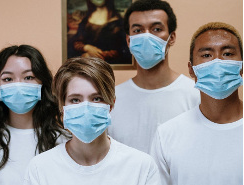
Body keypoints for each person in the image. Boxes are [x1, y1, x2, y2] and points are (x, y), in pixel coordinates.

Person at [23, 57, 161, 185]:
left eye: (96, 99)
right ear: (62, 107)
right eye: (75, 100)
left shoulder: (141, 167)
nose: (86, 108)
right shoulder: (40, 169)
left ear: (111, 104)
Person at [150, 22, 243, 185]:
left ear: (241, 66)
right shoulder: (167, 135)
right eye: (207, 55)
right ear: (191, 69)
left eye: (227, 54)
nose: (217, 62)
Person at [108, 0, 200, 154]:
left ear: (171, 37)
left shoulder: (195, 95)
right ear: (129, 40)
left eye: (156, 29)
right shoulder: (112, 100)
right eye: (138, 30)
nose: (146, 36)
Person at [0, 45, 69, 185]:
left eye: (28, 77)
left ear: (42, 83)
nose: (18, 85)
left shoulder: (64, 142)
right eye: (8, 79)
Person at [67, 0, 132, 64]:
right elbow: (76, 41)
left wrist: (93, 56)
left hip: (108, 63)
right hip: (86, 63)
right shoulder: (86, 19)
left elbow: (122, 50)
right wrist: (87, 48)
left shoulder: (117, 21)